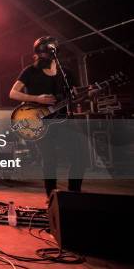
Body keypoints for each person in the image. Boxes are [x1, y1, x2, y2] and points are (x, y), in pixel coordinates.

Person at [9, 36, 85, 198]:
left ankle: (75, 196)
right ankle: (51, 198)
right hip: (40, 122)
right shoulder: (30, 71)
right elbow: (13, 93)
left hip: (63, 120)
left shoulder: (66, 73)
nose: (45, 55)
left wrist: (88, 94)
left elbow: (73, 96)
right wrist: (36, 99)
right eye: (43, 52)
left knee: (79, 158)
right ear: (38, 52)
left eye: (50, 51)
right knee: (50, 161)